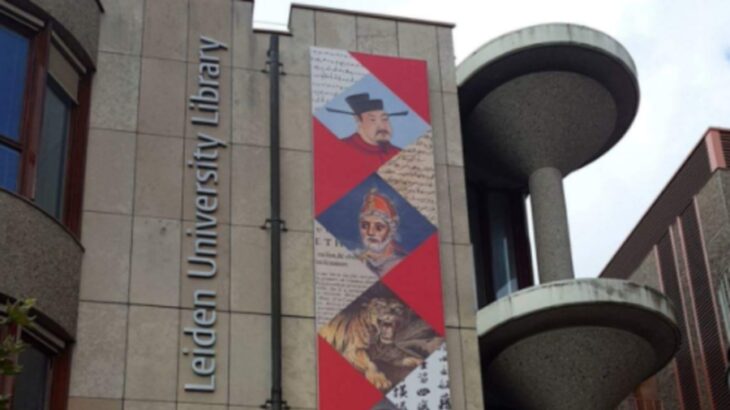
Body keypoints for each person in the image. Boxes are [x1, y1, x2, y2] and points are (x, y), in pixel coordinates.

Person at [326, 93, 408, 162]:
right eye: (372, 120)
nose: (382, 126)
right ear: (358, 121)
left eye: (384, 119)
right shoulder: (342, 149)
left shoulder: (397, 153)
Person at [356, 188, 406, 276]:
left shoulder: (400, 262)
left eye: (379, 227)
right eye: (364, 226)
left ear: (391, 231)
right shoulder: (358, 258)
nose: (370, 232)